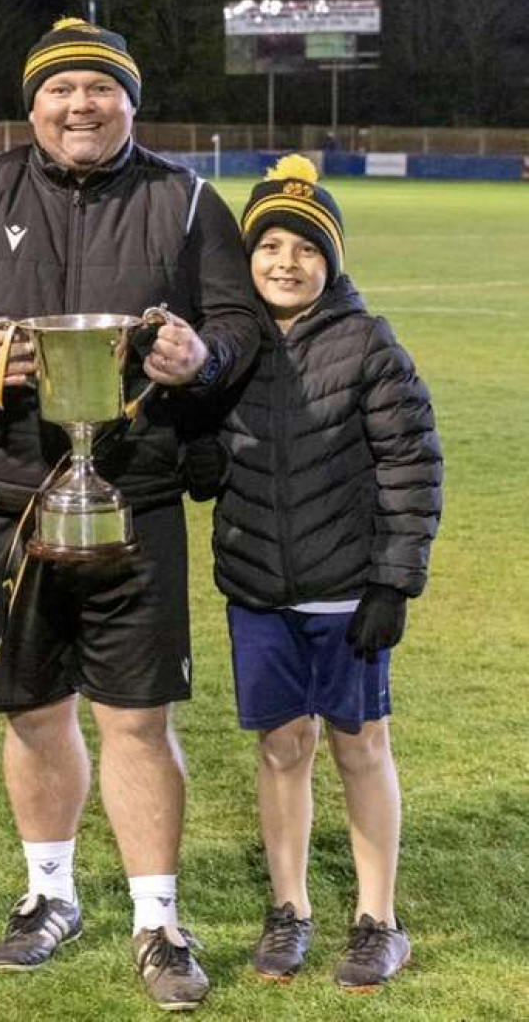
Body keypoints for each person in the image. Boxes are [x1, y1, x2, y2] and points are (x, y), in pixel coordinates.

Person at [0, 17, 260, 1010]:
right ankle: (48, 893)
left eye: (102, 88)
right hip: (8, 501)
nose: (81, 105)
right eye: (62, 89)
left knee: (139, 717)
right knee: (33, 708)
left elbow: (238, 324)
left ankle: (158, 916)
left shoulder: (184, 200)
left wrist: (205, 356)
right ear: (33, 102)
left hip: (133, 498)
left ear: (131, 102)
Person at [192, 155, 442, 991]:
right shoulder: (230, 345)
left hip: (345, 590)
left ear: (330, 259)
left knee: (359, 746)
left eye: (305, 246)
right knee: (280, 746)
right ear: (248, 256)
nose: (285, 262)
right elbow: (202, 441)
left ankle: (379, 920)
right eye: (268, 245)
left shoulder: (367, 342)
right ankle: (289, 908)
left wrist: (391, 582)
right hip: (258, 586)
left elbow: (411, 464)